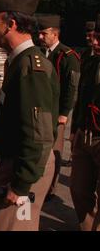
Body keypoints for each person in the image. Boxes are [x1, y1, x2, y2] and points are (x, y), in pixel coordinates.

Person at [0, 0, 60, 231]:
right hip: (18, 165)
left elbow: (39, 134)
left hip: (24, 168)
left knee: (13, 227)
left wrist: (21, 184)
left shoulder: (31, 67)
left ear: (11, 24)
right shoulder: (17, 62)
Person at [36, 14, 80, 202]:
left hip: (56, 114)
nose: (40, 37)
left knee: (54, 151)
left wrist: (64, 113)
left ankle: (50, 189)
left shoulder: (67, 56)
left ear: (55, 34)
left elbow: (71, 87)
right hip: (41, 110)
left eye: (44, 33)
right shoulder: (40, 52)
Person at [69, 14, 100, 231]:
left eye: (99, 37)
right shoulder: (89, 60)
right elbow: (81, 97)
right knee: (78, 189)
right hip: (85, 132)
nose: (94, 42)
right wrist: (75, 130)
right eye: (94, 36)